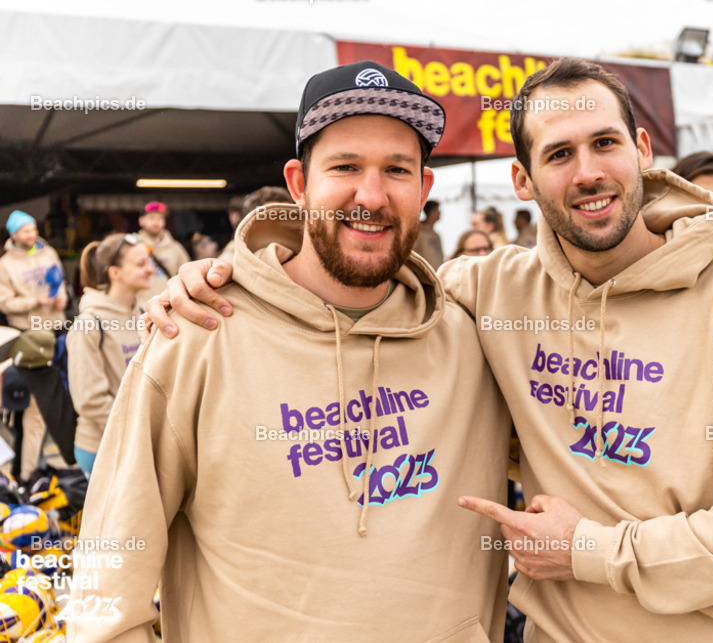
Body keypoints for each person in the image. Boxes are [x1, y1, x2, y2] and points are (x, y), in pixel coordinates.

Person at [153, 56, 713, 641]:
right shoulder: (487, 294)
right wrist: (227, 276)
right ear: (523, 180)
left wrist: (592, 551)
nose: (588, 172)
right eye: (559, 154)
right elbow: (353, 283)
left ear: (642, 149)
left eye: (604, 144)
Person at [69, 61, 512, 641]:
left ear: (424, 190)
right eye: (346, 166)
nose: (371, 195)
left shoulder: (474, 337)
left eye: (397, 170)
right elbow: (106, 593)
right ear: (300, 184)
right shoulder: (195, 336)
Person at [66, 233, 153, 477]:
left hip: (138, 442)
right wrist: (135, 435)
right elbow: (90, 400)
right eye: (140, 264)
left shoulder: (143, 314)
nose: (150, 269)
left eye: (148, 261)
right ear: (115, 273)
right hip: (103, 446)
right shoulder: (88, 325)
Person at [0, 210, 69, 482]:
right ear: (14, 235)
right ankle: (18, 475)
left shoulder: (48, 253)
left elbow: (59, 281)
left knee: (46, 408)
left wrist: (61, 298)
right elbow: (4, 302)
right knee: (28, 410)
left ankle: (31, 474)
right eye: (26, 231)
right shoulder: (5, 265)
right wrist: (34, 303)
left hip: (53, 333)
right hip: (25, 339)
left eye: (33, 228)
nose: (32, 234)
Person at [135, 201, 191, 306]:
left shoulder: (176, 248)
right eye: (151, 218)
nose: (156, 222)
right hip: (139, 308)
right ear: (141, 221)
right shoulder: (132, 246)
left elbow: (187, 276)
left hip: (168, 307)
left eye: (160, 218)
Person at [219, 188, 293, 262]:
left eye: (289, 218)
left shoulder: (297, 252)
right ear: (251, 223)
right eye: (272, 218)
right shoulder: (232, 259)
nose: (283, 225)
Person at [412, 199, 444, 269]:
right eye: (437, 210)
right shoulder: (418, 233)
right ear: (431, 212)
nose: (440, 213)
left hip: (437, 275)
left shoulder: (436, 235)